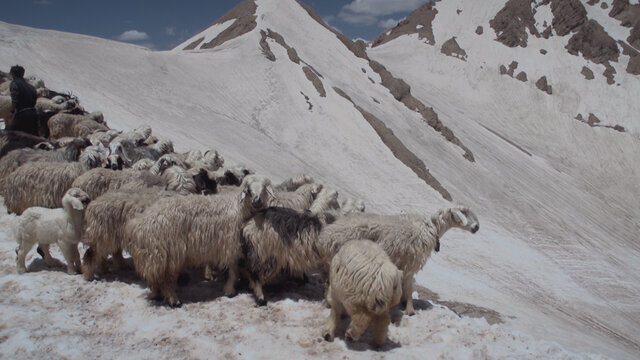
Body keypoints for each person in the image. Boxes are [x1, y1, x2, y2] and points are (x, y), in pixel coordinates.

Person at [8, 65, 39, 136]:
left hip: (22, 114)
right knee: (33, 136)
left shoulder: (14, 83)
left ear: (13, 74)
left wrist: (11, 112)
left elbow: (14, 100)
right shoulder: (31, 87)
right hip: (33, 114)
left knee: (11, 135)